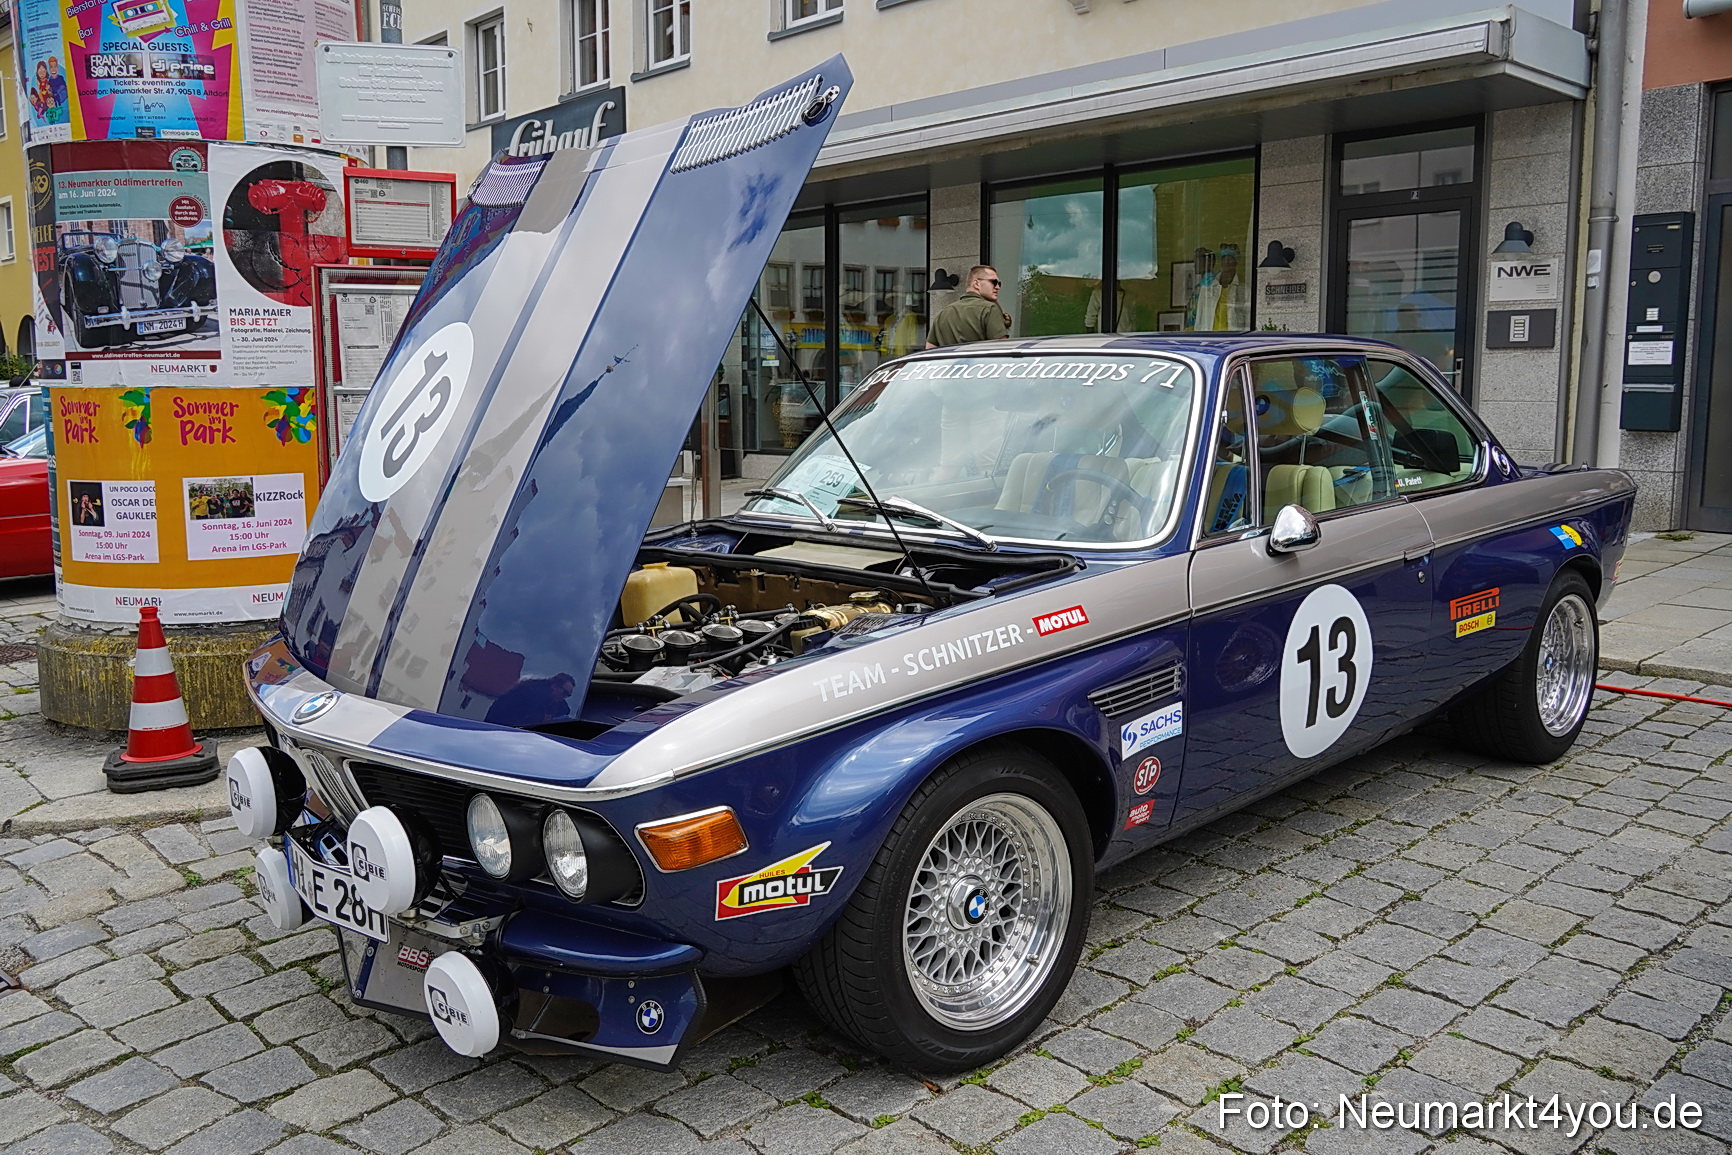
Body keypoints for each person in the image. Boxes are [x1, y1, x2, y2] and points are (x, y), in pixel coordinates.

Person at [926, 265, 1010, 348]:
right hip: (981, 361)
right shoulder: (989, 309)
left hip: (948, 361)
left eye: (999, 283)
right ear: (976, 283)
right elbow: (1002, 348)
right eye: (993, 282)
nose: (998, 287)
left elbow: (929, 349)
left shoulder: (943, 314)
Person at [485, 673, 578, 726]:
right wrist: (540, 719)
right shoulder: (526, 694)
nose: (564, 697)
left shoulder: (555, 702)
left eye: (568, 695)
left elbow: (565, 711)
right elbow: (510, 719)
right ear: (554, 686)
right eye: (564, 693)